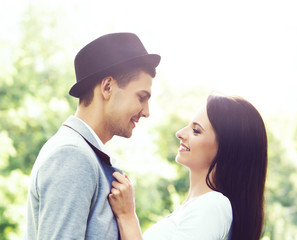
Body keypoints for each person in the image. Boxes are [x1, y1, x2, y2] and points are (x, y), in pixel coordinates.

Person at [24, 32, 161, 239]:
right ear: (107, 87)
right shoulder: (72, 155)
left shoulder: (87, 154)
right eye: (141, 97)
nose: (146, 111)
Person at [108, 94, 268, 240]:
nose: (180, 133)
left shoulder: (214, 205)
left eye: (196, 130)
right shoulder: (194, 207)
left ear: (227, 149)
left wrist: (127, 215)